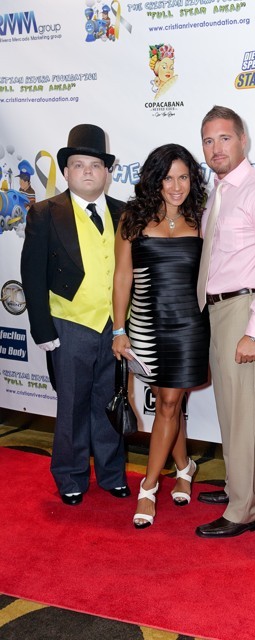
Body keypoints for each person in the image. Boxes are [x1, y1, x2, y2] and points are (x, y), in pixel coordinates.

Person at [194, 105, 255, 538]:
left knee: (245, 413)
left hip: (244, 309)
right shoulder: (217, 194)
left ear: (243, 140)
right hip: (217, 310)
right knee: (231, 410)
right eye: (208, 140)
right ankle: (239, 488)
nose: (216, 148)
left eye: (225, 138)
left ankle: (246, 509)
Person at [21, 124, 130, 506]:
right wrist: (42, 329)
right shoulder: (45, 213)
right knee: (71, 407)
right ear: (66, 172)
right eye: (79, 165)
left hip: (114, 327)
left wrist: (128, 325)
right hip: (69, 326)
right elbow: (32, 274)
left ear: (107, 173)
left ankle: (113, 474)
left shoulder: (123, 213)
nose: (87, 171)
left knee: (111, 402)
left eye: (96, 165)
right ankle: (70, 475)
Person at [112, 143, 209, 529]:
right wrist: (119, 329)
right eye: (168, 178)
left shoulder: (201, 219)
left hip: (188, 328)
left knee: (168, 402)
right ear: (155, 180)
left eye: (183, 177)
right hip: (145, 328)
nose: (176, 186)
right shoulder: (133, 218)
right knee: (171, 402)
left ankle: (148, 487)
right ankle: (184, 466)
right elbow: (123, 276)